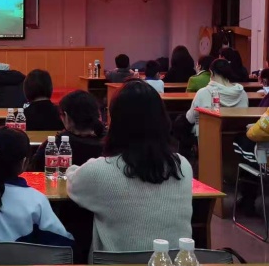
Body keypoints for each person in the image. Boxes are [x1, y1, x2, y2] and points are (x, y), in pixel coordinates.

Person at [66, 80, 193, 252]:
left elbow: (73, 183)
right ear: (163, 120)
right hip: (172, 265)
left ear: (116, 123)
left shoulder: (100, 171)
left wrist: (79, 167)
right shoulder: (183, 165)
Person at [30, 90, 105, 171]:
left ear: (66, 116)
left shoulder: (54, 145)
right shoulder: (110, 143)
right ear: (97, 114)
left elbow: (35, 167)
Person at [186, 59, 249, 137]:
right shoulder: (242, 93)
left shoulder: (203, 93)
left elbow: (190, 119)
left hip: (208, 136)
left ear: (211, 73)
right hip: (237, 136)